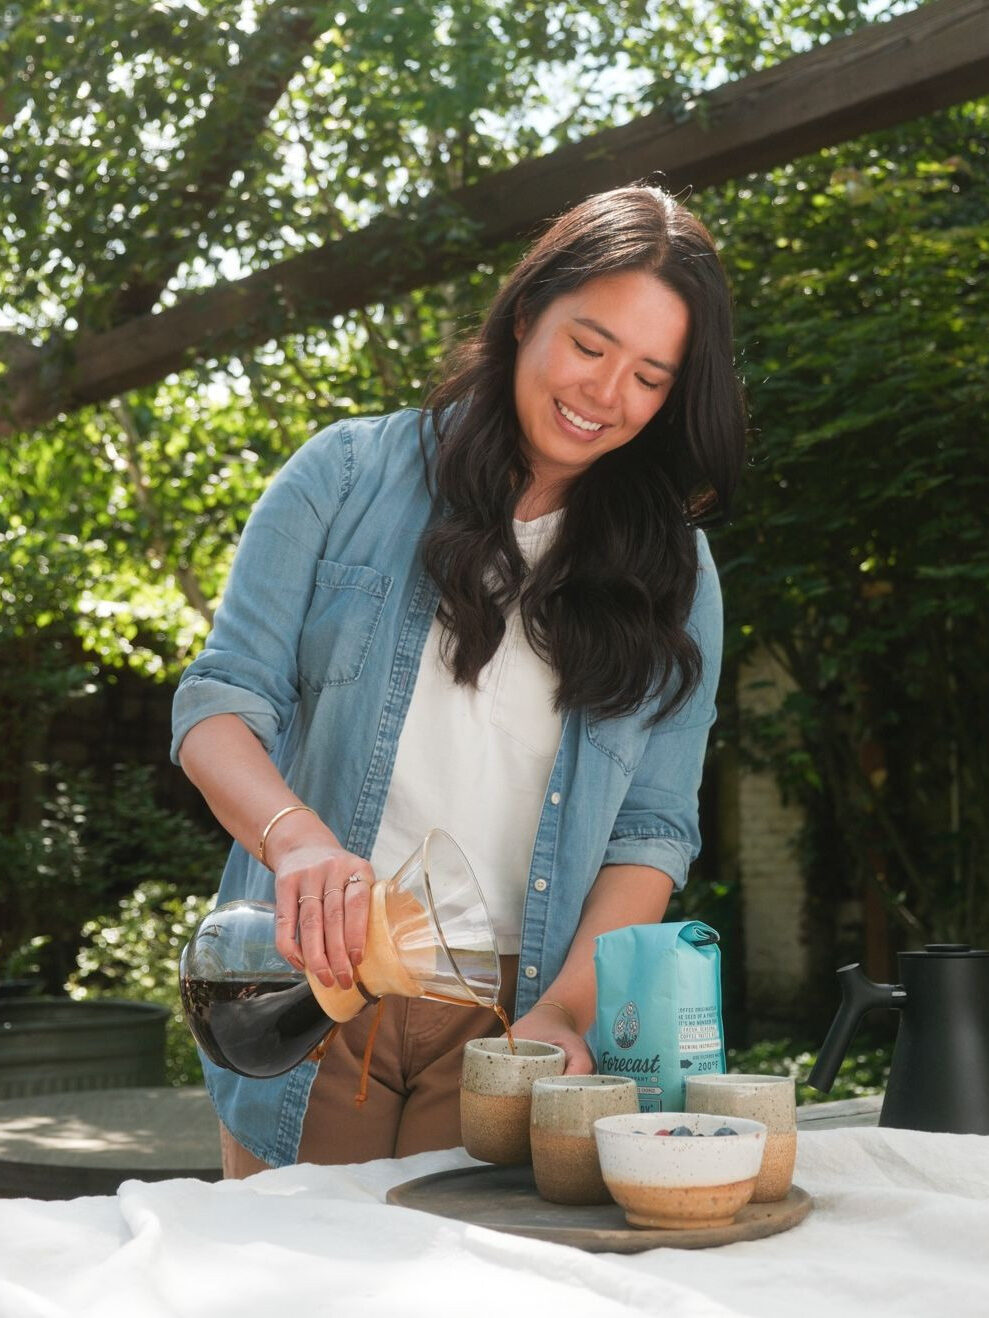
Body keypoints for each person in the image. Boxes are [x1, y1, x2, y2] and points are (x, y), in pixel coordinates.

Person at [171, 184, 746, 1175]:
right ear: (526, 313)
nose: (606, 394)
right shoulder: (344, 478)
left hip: (510, 1019)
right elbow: (217, 707)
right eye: (589, 344)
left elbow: (651, 829)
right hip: (311, 986)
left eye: (649, 375)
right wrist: (296, 840)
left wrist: (563, 1008)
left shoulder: (674, 575)